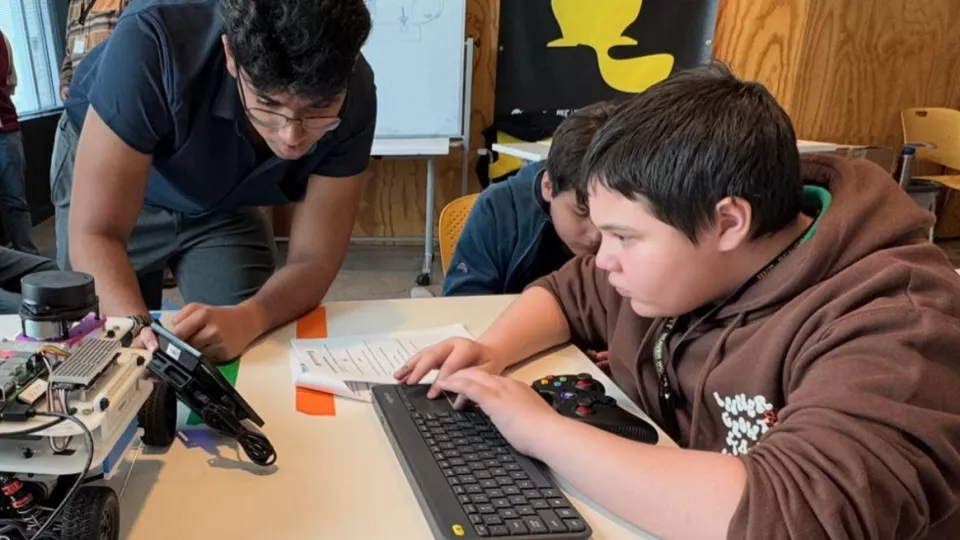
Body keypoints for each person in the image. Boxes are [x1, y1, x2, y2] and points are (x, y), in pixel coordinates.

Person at [397, 63, 960, 538]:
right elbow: (569, 294)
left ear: (729, 222)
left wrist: (540, 429)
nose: (603, 257)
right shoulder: (686, 260)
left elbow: (791, 512)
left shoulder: (893, 321)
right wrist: (492, 350)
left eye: (625, 237)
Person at [52, 0, 376, 361]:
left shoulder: (356, 92)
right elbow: (96, 234)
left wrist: (250, 317)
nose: (291, 136)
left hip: (221, 200)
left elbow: (315, 258)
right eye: (268, 105)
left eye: (317, 111)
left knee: (252, 347)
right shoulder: (154, 39)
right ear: (231, 56)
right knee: (117, 345)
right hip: (115, 178)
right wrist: (138, 331)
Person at [442, 102, 615, 296]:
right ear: (548, 187)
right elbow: (464, 299)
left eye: (610, 218)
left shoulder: (639, 209)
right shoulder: (499, 208)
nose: (596, 235)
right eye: (581, 212)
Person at [0, 29, 39, 255]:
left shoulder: (3, 39)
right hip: (8, 131)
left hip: (6, 129)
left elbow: (10, 84)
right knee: (15, 201)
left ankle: (27, 260)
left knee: (15, 200)